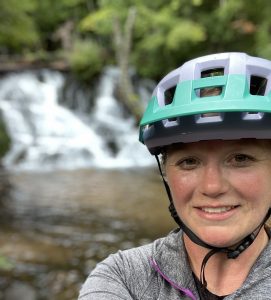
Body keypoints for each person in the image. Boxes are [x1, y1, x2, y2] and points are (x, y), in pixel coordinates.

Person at [78, 52, 271, 299]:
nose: (212, 187)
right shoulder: (123, 276)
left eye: (241, 159)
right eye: (189, 162)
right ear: (165, 173)